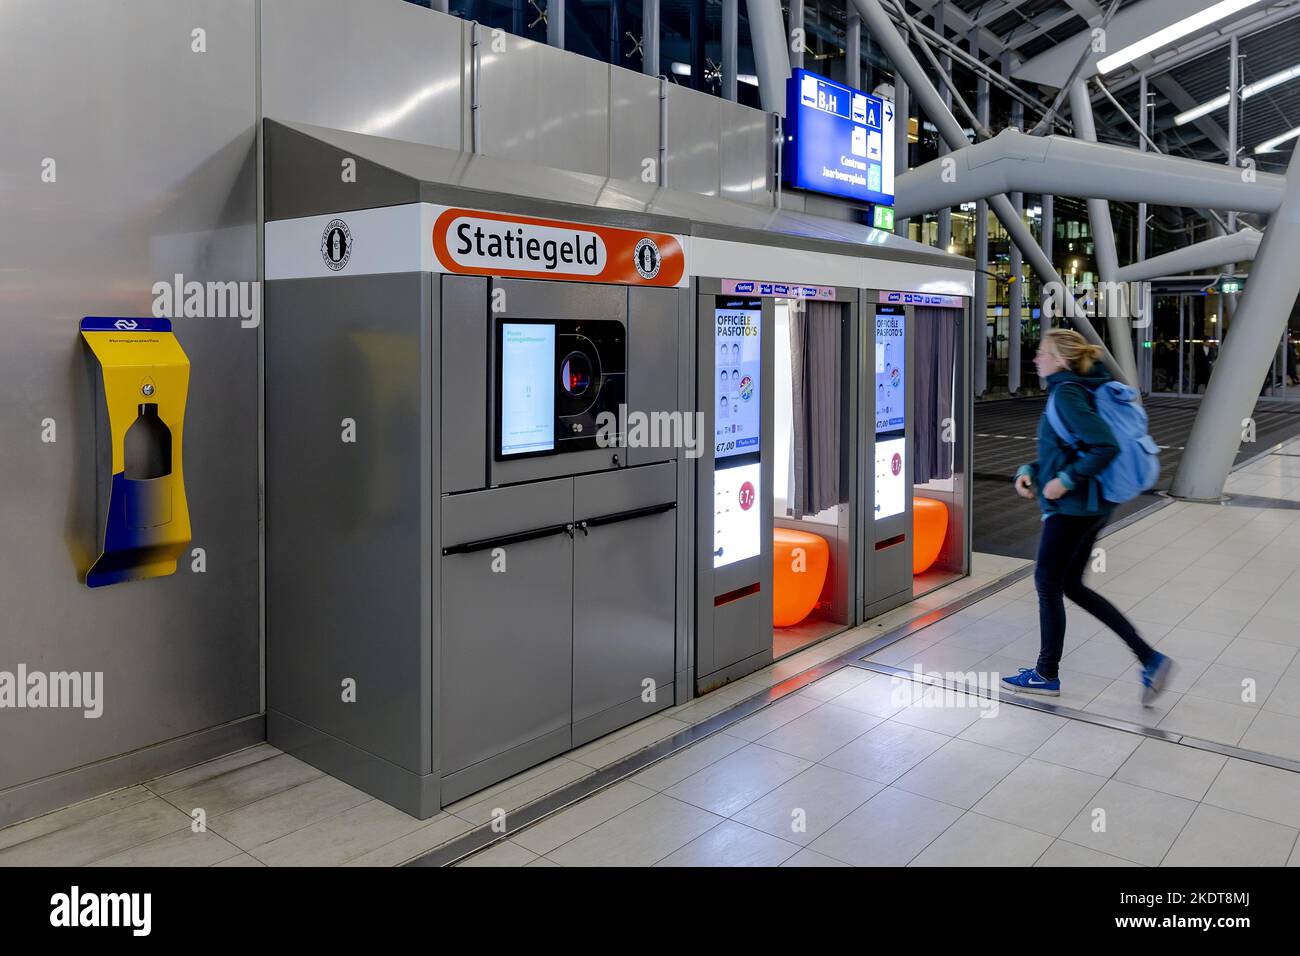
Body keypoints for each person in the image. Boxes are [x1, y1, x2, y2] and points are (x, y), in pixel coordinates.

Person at [1004, 329, 1174, 704]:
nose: (1036, 359)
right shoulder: (1082, 386)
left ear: (1061, 359)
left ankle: (1046, 673)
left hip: (1073, 508)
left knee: (1047, 584)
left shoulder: (1066, 393)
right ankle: (1148, 657)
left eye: (1042, 353)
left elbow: (1104, 446)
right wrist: (1029, 469)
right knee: (1071, 586)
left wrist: (1063, 481)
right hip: (1093, 505)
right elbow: (1065, 448)